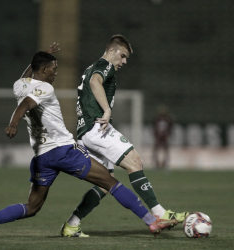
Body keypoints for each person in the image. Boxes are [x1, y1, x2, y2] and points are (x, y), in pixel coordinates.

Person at [0, 49, 177, 238]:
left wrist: (38, 60)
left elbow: (25, 83)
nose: (55, 73)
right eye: (53, 69)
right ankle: (152, 222)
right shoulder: (46, 89)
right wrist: (13, 123)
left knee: (32, 207)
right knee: (110, 182)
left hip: (42, 157)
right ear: (42, 70)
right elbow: (26, 104)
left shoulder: (19, 85)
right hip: (64, 151)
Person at [61, 35, 188, 237]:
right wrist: (107, 111)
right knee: (135, 162)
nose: (124, 62)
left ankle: (72, 224)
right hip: (98, 127)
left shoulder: (90, 67)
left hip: (85, 132)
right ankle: (160, 213)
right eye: (122, 56)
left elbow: (91, 82)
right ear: (112, 51)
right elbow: (95, 83)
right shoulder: (105, 64)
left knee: (105, 182)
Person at [152, 104, 174, 170]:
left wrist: (169, 135)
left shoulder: (168, 118)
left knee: (166, 151)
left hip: (165, 137)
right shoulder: (157, 118)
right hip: (158, 137)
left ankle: (165, 164)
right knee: (156, 151)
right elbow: (154, 127)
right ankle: (156, 164)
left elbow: (171, 128)